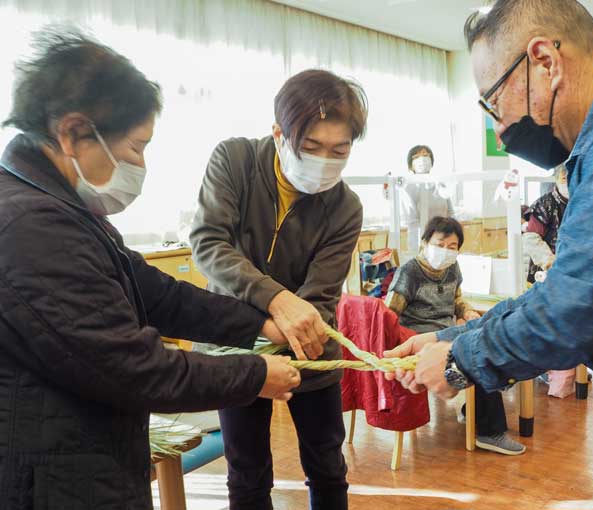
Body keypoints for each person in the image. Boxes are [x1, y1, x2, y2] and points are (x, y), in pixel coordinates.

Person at [385, 1, 593, 508]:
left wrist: (458, 361)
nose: (499, 132)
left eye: (494, 103)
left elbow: (570, 314)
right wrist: (450, 336)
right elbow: (565, 291)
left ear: (545, 61)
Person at [0, 30, 300, 510]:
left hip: (89, 458)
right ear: (75, 133)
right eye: (136, 147)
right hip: (54, 479)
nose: (141, 164)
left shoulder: (64, 209)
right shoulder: (30, 226)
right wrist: (253, 373)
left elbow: (156, 294)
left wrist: (258, 322)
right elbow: (130, 368)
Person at [190, 69, 366, 510]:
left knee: (327, 466)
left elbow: (321, 296)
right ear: (279, 134)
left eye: (339, 151)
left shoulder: (345, 207)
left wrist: (291, 319)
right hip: (234, 347)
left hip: (310, 345)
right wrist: (276, 300)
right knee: (246, 472)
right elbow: (210, 245)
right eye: (310, 148)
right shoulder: (235, 161)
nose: (324, 160)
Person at [386, 216, 525, 455]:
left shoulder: (452, 268)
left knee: (482, 343)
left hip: (447, 331)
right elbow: (389, 313)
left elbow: (457, 299)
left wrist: (467, 311)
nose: (445, 251)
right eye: (440, 245)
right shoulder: (409, 272)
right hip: (421, 338)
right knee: (477, 354)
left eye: (452, 248)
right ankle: (489, 432)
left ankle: (474, 414)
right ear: (425, 242)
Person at [401, 145, 454, 251]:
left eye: (425, 155)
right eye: (416, 157)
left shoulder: (440, 183)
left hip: (444, 238)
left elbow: (450, 213)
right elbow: (412, 222)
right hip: (421, 241)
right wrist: (421, 245)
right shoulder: (408, 187)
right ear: (411, 166)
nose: (422, 159)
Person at [523, 165, 569, 283]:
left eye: (570, 177)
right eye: (563, 178)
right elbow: (531, 239)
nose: (567, 180)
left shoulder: (581, 203)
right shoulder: (545, 203)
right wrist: (550, 262)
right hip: (546, 273)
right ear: (556, 178)